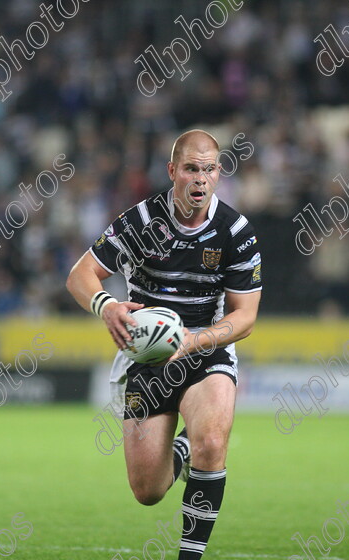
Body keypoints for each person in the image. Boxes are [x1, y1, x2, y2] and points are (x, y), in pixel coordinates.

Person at [67, 130, 262, 559]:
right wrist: (106, 306)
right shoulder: (141, 222)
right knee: (147, 491)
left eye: (208, 169)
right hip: (148, 357)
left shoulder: (234, 231)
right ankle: (181, 446)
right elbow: (79, 275)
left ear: (218, 172)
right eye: (191, 169)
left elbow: (244, 316)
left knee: (212, 440)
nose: (200, 179)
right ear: (173, 171)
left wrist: (196, 340)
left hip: (205, 347)